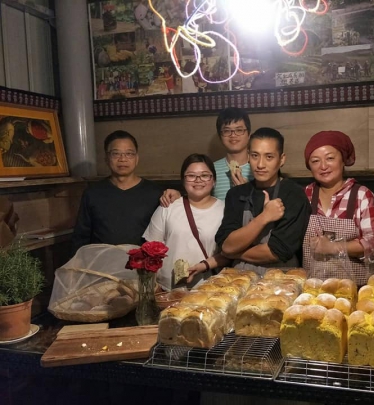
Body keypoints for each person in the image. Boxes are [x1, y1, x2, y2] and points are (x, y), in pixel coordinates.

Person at [215, 127, 310, 275]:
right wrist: (264, 217)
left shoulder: (294, 195)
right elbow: (226, 245)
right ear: (248, 156)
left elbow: (277, 251)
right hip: (238, 279)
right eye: (255, 155)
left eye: (269, 157)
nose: (260, 164)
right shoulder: (236, 194)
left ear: (282, 159)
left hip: (281, 279)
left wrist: (235, 253)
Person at [303, 131, 374, 286]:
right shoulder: (305, 195)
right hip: (313, 289)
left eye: (330, 158)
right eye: (315, 161)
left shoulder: (361, 195)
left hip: (355, 287)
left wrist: (334, 247)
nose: (323, 166)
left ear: (343, 160)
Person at [143, 154, 228, 289]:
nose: (198, 180)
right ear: (183, 181)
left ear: (214, 181)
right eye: (191, 175)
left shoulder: (225, 211)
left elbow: (230, 253)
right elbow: (150, 248)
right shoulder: (168, 206)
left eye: (205, 175)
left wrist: (205, 265)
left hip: (208, 289)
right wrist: (152, 286)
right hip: (167, 289)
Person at [72, 130, 163, 254]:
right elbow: (81, 236)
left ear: (137, 158)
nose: (123, 159)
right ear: (106, 158)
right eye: (116, 154)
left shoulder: (154, 193)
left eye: (129, 154)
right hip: (101, 262)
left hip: (142, 263)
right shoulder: (92, 193)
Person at [160, 107, 254, 205]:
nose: (233, 135)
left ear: (249, 134)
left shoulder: (258, 167)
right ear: (220, 136)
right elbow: (197, 200)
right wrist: (178, 196)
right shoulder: (210, 169)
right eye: (227, 131)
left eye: (239, 130)